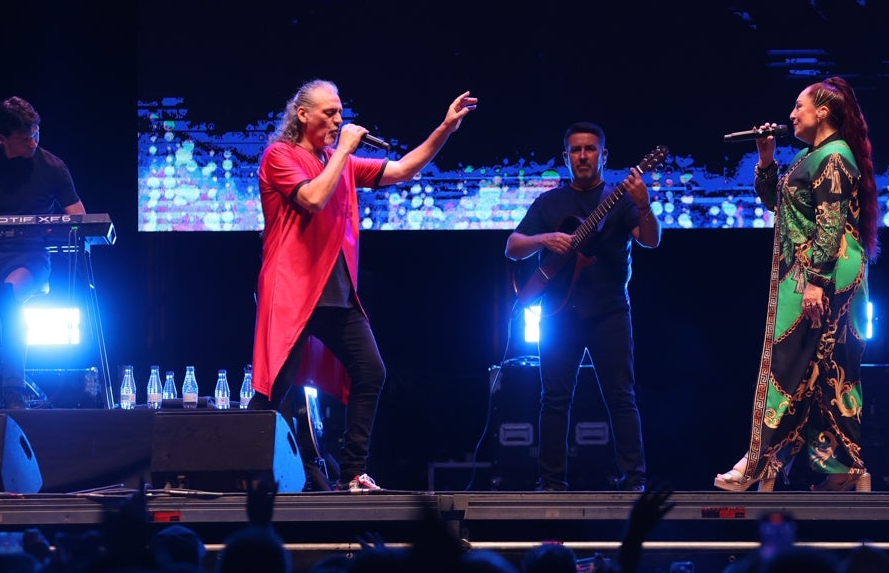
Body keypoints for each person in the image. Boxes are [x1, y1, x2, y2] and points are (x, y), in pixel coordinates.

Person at [250, 79, 477, 493]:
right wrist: (343, 154)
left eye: (339, 112)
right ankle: (241, 470)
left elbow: (405, 169)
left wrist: (445, 128)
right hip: (292, 293)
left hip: (336, 293)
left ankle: (352, 473)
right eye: (329, 113)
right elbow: (315, 197)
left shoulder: (341, 162)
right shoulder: (279, 155)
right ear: (302, 115)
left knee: (371, 371)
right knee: (273, 391)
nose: (339, 120)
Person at [714, 76, 879, 493]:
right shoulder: (812, 155)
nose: (790, 115)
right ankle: (842, 468)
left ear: (823, 112)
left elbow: (831, 225)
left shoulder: (836, 155)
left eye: (798, 107)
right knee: (819, 371)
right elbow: (779, 205)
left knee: (787, 369)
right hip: (810, 275)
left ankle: (758, 461)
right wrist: (766, 159)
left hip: (824, 277)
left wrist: (816, 284)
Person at [505, 121, 661, 492]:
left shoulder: (621, 199)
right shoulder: (549, 202)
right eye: (575, 150)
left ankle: (634, 481)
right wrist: (545, 238)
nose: (583, 156)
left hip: (610, 312)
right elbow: (512, 247)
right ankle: (551, 483)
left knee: (621, 398)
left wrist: (642, 203)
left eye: (590, 149)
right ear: (565, 157)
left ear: (604, 155)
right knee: (553, 400)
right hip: (558, 316)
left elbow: (651, 241)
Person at [0, 96, 86, 408]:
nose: (33, 141)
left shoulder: (54, 167)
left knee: (8, 293)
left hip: (29, 259)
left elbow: (79, 217)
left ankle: (13, 388)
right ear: (2, 138)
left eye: (36, 132)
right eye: (25, 137)